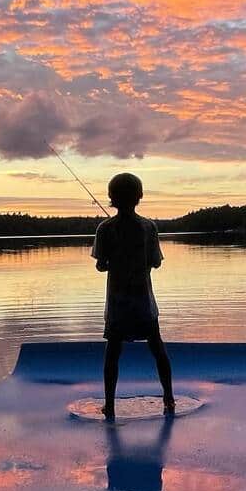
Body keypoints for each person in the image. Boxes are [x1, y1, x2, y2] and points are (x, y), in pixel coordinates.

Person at [91, 172, 174, 419]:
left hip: (117, 304)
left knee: (113, 352)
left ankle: (110, 404)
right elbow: (156, 263)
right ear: (139, 196)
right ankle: (168, 397)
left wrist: (113, 262)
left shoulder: (105, 229)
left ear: (111, 198)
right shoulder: (149, 227)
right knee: (157, 347)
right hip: (143, 302)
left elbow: (100, 265)